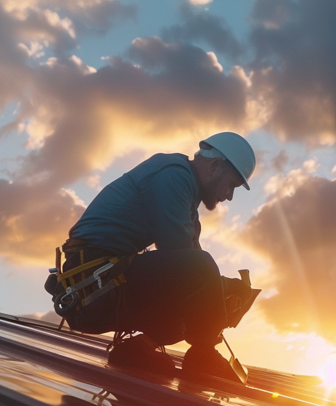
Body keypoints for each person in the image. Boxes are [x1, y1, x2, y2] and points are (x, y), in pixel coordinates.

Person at [46, 132, 257, 380]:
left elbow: (194, 269)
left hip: (106, 284)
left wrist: (219, 295)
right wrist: (216, 295)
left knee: (201, 297)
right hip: (93, 288)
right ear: (214, 166)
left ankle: (138, 350)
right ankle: (203, 358)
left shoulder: (187, 198)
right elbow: (184, 257)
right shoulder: (173, 175)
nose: (230, 196)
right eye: (231, 185)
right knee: (200, 276)